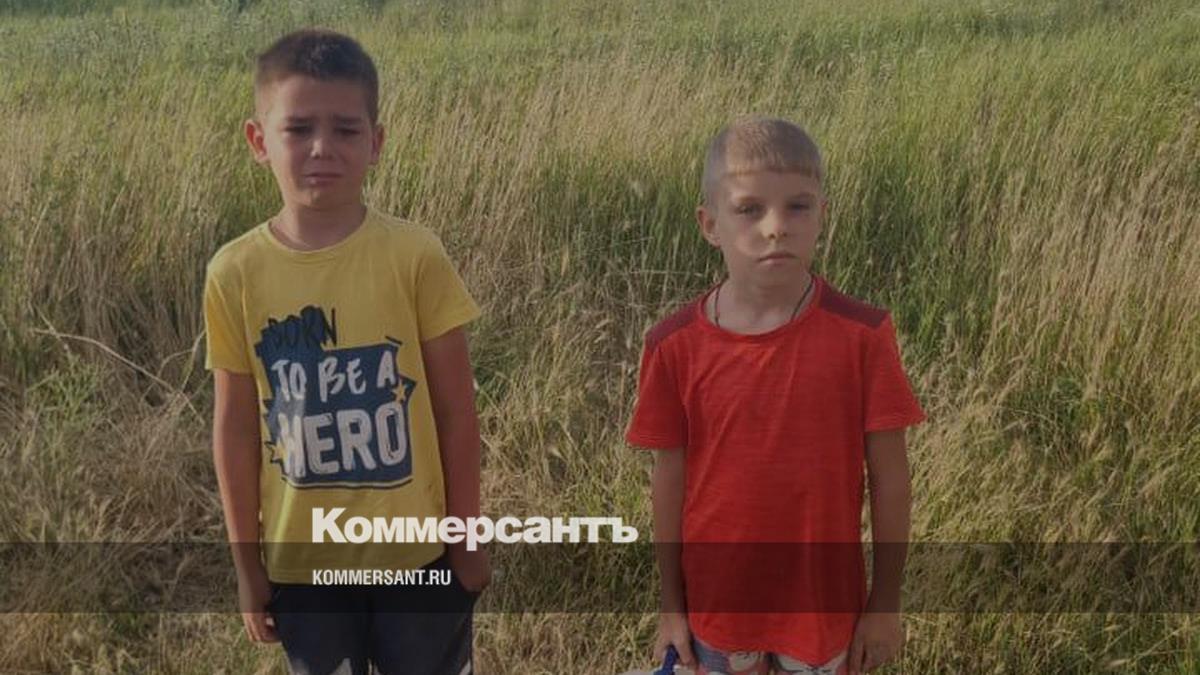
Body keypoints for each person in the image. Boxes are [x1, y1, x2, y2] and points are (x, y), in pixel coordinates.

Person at [203, 28, 488, 675]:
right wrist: (246, 565)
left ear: (376, 142)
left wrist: (467, 537)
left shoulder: (414, 255)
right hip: (303, 565)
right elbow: (235, 428)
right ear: (258, 141)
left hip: (417, 555)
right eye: (298, 128)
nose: (322, 148)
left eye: (346, 129)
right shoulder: (234, 273)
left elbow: (455, 411)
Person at [626, 117, 925, 675]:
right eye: (749, 209)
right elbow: (669, 479)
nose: (775, 228)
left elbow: (890, 478)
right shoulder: (673, 345)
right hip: (719, 606)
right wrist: (671, 605)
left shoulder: (863, 335)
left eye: (798, 207)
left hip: (822, 611)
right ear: (710, 224)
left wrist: (885, 603)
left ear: (822, 216)